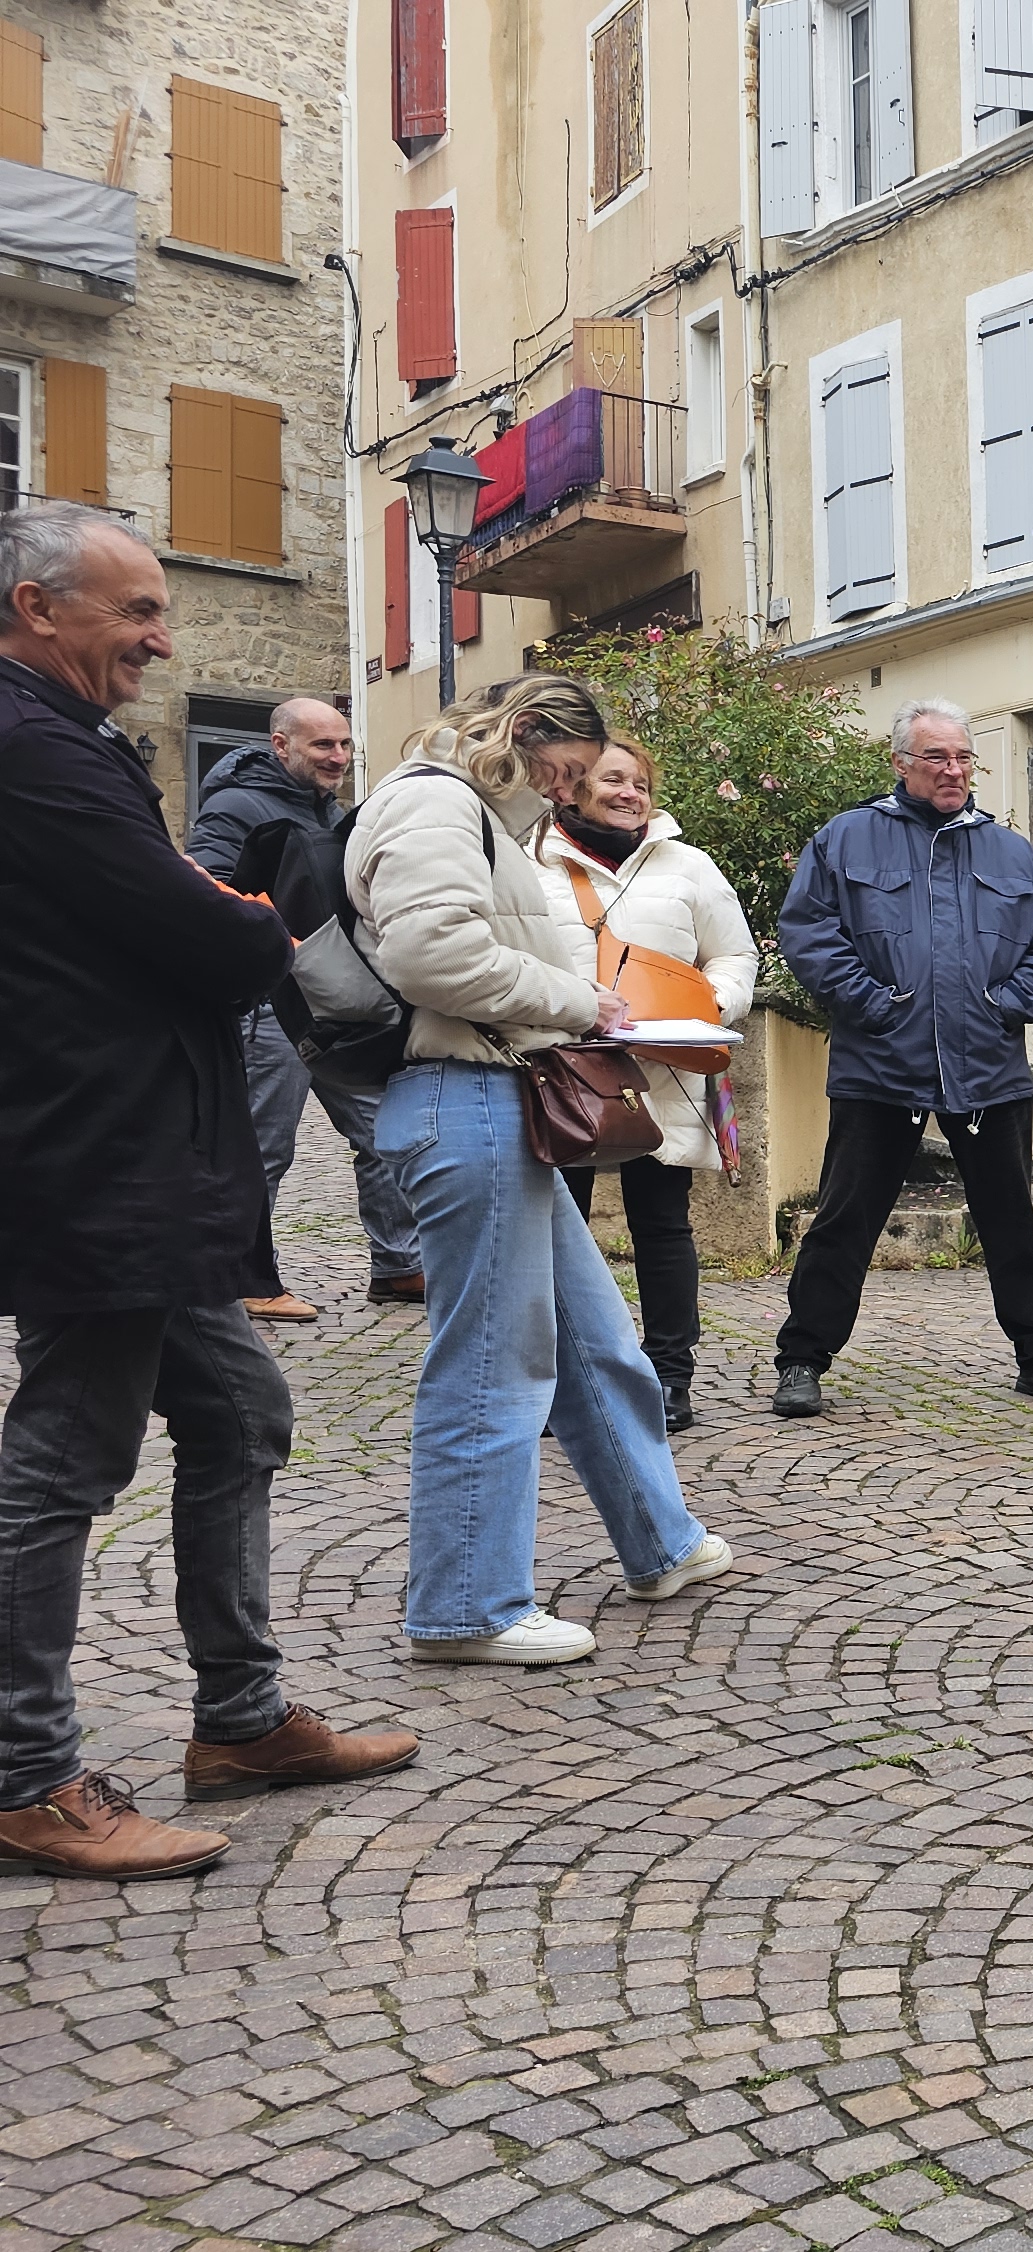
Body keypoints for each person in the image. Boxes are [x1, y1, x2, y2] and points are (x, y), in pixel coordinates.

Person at [0, 501, 418, 1879]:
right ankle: (23, 1774)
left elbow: (186, 916)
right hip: (92, 1161)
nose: (159, 641)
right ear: (33, 606)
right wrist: (238, 921)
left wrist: (215, 917)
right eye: (133, 613)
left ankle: (239, 1721)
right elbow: (213, 935)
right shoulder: (30, 748)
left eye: (162, 611)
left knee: (240, 1407)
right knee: (64, 1457)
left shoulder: (63, 743)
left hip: (137, 1160)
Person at [350, 674, 736, 1666]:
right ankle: (467, 1604)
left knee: (594, 1337)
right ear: (524, 734)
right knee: (491, 1357)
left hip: (493, 1095)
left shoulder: (469, 807)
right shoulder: (434, 800)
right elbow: (430, 953)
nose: (564, 793)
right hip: (466, 1097)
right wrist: (577, 1002)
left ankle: (662, 1542)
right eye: (562, 771)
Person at [770, 699, 1033, 1417]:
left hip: (988, 1069)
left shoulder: (1009, 851)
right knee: (843, 1220)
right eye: (937, 757)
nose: (953, 770)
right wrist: (876, 1007)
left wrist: (1003, 1007)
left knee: (1013, 1224)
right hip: (881, 1067)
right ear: (902, 764)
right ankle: (802, 1359)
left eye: (964, 757)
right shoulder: (845, 840)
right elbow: (809, 934)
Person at [536, 739, 756, 1434]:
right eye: (612, 779)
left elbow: (733, 954)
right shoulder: (526, 859)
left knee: (663, 1227)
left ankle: (669, 1375)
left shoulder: (688, 865)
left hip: (661, 1069)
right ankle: (560, 1377)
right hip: (560, 1070)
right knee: (553, 1234)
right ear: (572, 786)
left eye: (639, 782)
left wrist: (708, 1009)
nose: (629, 792)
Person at [186, 695, 427, 1319]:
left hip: (331, 1000)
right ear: (282, 744)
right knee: (264, 1145)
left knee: (382, 1131)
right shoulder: (237, 805)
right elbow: (207, 885)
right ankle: (246, 1280)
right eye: (324, 745)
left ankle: (400, 1265)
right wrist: (278, 944)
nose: (339, 757)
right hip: (269, 1003)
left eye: (345, 745)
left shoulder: (332, 809)